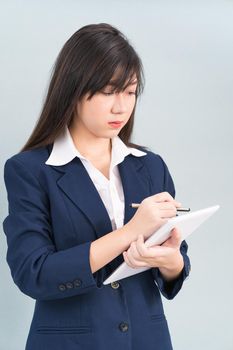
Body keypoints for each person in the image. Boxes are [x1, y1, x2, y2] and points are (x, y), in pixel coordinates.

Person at [2, 23, 191, 350]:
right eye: (107, 91)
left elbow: (176, 265)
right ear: (73, 89)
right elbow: (34, 273)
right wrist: (132, 231)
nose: (121, 106)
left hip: (148, 341)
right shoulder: (29, 171)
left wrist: (171, 261)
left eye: (130, 92)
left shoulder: (150, 166)